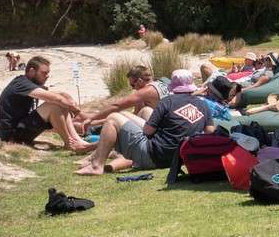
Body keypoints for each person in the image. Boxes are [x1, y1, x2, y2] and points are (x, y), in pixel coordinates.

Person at [76, 68, 213, 176]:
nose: (132, 87)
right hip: (179, 157)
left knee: (113, 118)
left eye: (132, 84)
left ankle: (96, 166)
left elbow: (148, 131)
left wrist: (92, 119)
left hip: (155, 157)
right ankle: (98, 155)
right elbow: (209, 132)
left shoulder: (166, 101)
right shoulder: (203, 105)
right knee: (144, 111)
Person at [0, 56, 90, 151]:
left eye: (48, 73)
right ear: (32, 71)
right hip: (11, 137)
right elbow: (56, 98)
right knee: (54, 105)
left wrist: (67, 97)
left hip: (20, 129)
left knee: (61, 101)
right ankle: (70, 144)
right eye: (44, 73)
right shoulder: (21, 84)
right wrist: (78, 112)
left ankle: (76, 139)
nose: (47, 76)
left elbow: (59, 95)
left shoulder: (28, 83)